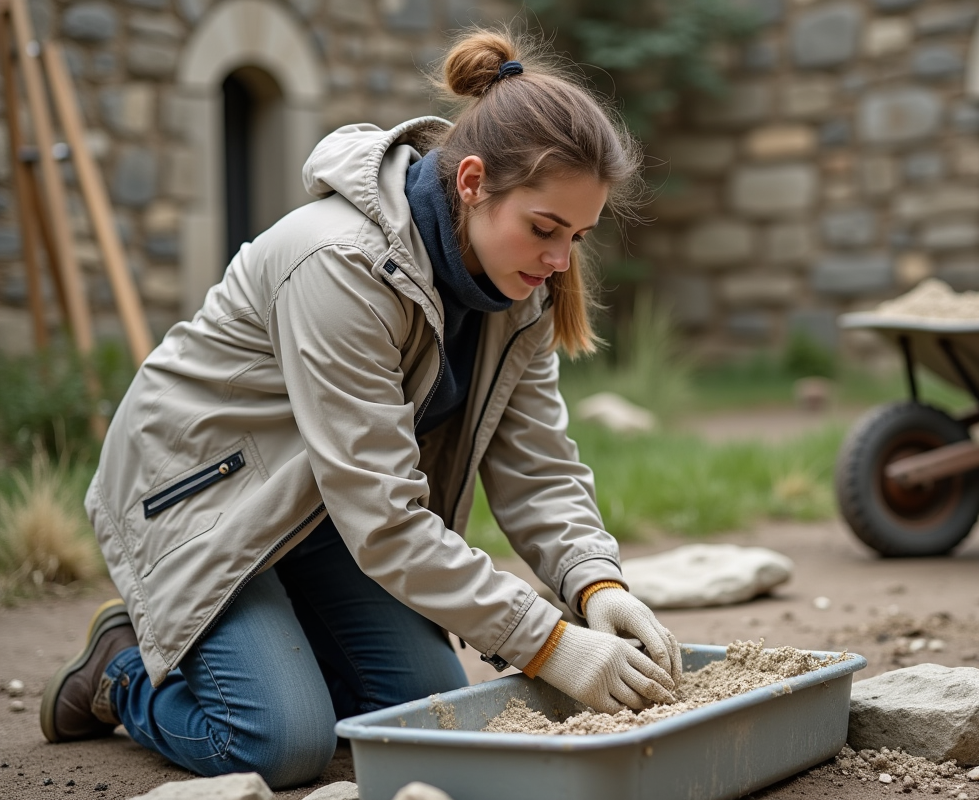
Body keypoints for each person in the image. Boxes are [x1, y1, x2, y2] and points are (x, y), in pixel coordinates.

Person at [40, 28, 682, 789]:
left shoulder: (520, 290)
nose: (558, 261)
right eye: (545, 229)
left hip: (321, 511)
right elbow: (382, 516)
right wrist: (547, 642)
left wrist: (596, 585)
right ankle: (123, 670)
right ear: (473, 182)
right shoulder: (338, 263)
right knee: (278, 745)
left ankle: (285, 648)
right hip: (204, 503)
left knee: (433, 715)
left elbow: (537, 466)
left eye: (577, 236)